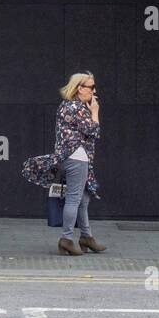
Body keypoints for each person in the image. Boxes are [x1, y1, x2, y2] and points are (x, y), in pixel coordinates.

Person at [22, 71, 106, 256]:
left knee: (83, 198)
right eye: (91, 87)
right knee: (75, 199)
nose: (94, 90)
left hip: (72, 157)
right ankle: (66, 239)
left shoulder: (68, 106)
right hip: (77, 158)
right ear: (79, 89)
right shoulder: (76, 108)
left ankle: (86, 237)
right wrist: (95, 111)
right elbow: (93, 130)